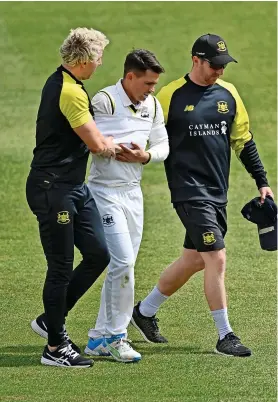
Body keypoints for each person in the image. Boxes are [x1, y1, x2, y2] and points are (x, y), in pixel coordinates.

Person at [131, 34, 274, 357]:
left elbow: (243, 140)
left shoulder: (229, 94)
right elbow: (141, 130)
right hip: (188, 190)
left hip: (216, 192)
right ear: (196, 60)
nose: (220, 72)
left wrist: (261, 181)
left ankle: (144, 311)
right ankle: (225, 336)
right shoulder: (170, 96)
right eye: (214, 65)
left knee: (194, 258)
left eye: (224, 65)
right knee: (216, 257)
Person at [26, 27, 119, 368]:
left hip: (74, 188)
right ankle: (54, 349)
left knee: (98, 253)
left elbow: (90, 135)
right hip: (54, 190)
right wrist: (119, 147)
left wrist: (106, 140)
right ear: (86, 61)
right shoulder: (69, 92)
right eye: (98, 58)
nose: (100, 63)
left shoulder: (69, 84)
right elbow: (96, 145)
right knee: (61, 267)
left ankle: (52, 319)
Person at [84, 49, 169, 363]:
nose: (152, 89)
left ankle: (97, 339)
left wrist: (144, 157)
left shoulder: (153, 105)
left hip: (133, 194)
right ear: (130, 76)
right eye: (147, 82)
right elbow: (89, 138)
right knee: (122, 263)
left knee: (123, 266)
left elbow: (163, 145)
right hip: (103, 191)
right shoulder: (104, 100)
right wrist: (118, 149)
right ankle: (117, 337)